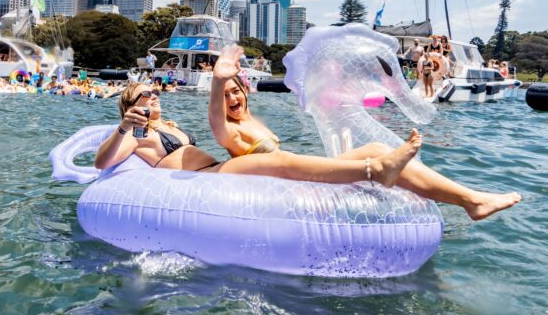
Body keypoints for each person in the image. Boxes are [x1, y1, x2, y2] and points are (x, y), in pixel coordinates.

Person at [95, 80, 520, 221]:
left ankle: (470, 199)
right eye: (141, 98)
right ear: (129, 105)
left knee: (373, 144)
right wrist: (123, 127)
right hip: (207, 180)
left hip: (224, 170)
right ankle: (377, 170)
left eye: (153, 95)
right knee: (280, 161)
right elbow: (102, 162)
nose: (151, 101)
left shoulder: (166, 123)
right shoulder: (137, 132)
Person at [205, 44, 521, 220]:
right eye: (226, 95)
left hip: (295, 173)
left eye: (235, 92)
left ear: (245, 91)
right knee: (378, 160)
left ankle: (470, 200)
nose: (232, 99)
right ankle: (469, 201)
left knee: (377, 148)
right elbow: (217, 126)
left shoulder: (252, 121)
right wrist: (218, 80)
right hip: (283, 187)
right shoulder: (230, 131)